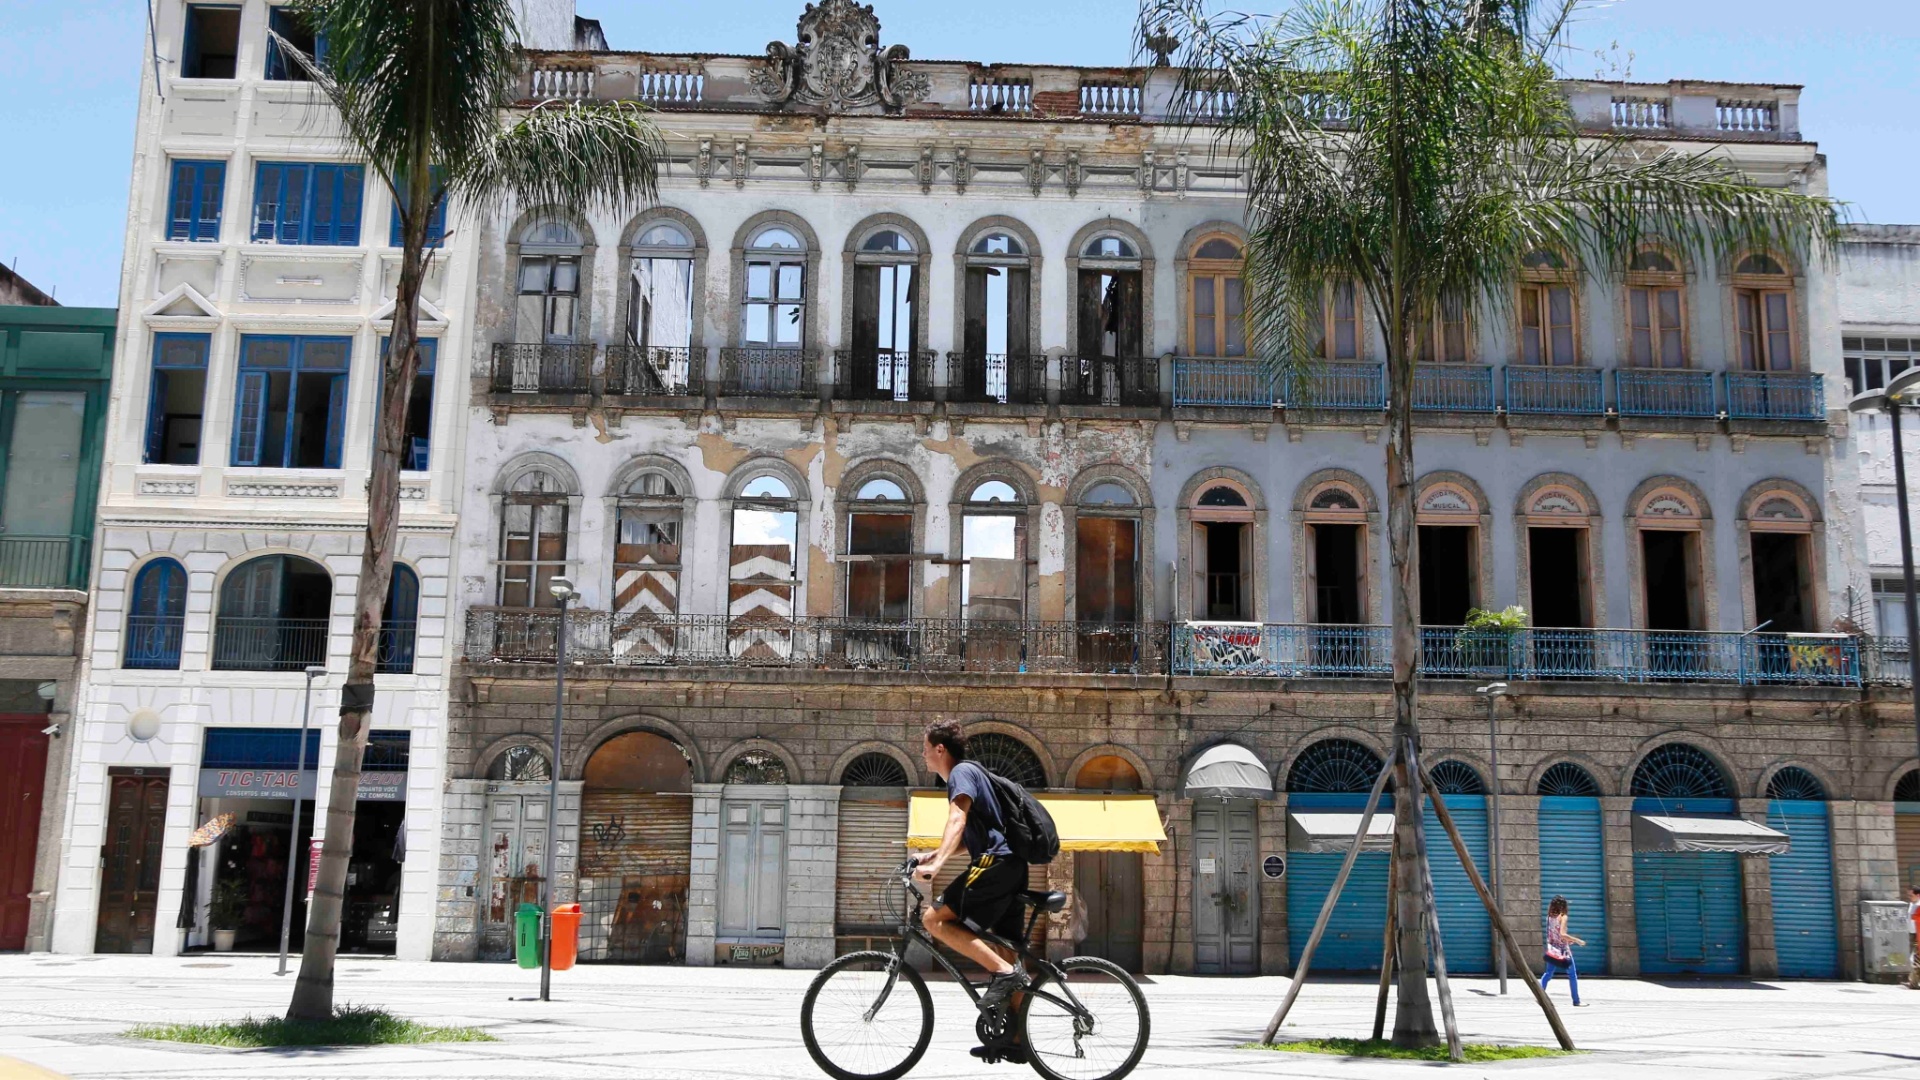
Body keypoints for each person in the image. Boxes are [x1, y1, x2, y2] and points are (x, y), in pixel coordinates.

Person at [913, 719, 1032, 1062]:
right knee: (1009, 949)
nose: (923, 757)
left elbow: (957, 819)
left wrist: (935, 869)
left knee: (933, 920)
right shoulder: (975, 772)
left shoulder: (962, 773)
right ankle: (1017, 1040)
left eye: (925, 750)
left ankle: (1004, 975)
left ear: (940, 749)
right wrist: (934, 854)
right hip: (1012, 866)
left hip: (995, 864)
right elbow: (975, 835)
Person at [1540, 895, 1588, 1006]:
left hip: (1552, 950)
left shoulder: (1549, 917)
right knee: (1572, 975)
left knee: (1548, 974)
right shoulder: (1563, 916)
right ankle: (1576, 1001)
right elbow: (1562, 934)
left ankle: (1540, 997)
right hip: (1563, 951)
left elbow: (1554, 934)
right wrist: (1577, 940)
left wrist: (1567, 940)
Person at [1907, 886, 1920, 990]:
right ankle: (1912, 981)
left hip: (1918, 935)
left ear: (1918, 895)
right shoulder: (1912, 904)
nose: (1909, 897)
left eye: (1911, 895)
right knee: (1914, 959)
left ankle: (1913, 983)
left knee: (1915, 959)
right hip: (1912, 934)